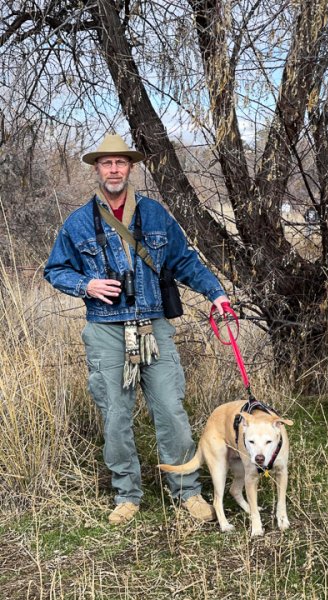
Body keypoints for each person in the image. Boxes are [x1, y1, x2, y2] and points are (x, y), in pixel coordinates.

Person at [44, 134, 229, 525]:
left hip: (153, 326)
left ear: (130, 168)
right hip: (106, 330)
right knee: (115, 416)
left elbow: (184, 260)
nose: (114, 169)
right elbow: (55, 270)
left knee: (172, 412)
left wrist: (216, 294)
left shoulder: (155, 214)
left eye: (120, 163)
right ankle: (126, 494)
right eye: (107, 163)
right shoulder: (78, 222)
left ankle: (187, 492)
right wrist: (87, 285)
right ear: (97, 169)